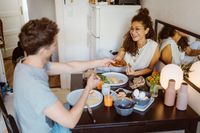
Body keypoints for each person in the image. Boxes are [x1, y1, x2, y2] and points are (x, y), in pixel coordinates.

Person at [13, 18, 114, 133]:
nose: (55, 47)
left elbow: (70, 67)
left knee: (74, 107)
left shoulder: (26, 64)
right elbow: (70, 121)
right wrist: (88, 88)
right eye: (54, 44)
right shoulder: (34, 86)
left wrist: (100, 62)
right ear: (43, 51)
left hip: (41, 119)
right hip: (45, 130)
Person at [114, 8, 160, 76]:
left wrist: (135, 73)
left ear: (146, 30)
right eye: (132, 28)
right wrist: (119, 61)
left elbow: (150, 68)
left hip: (140, 77)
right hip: (123, 73)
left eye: (137, 29)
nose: (133, 32)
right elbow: (119, 57)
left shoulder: (153, 47)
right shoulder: (128, 40)